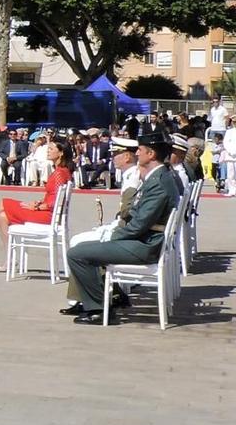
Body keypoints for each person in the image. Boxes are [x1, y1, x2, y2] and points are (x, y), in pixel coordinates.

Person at [62, 134, 180, 323]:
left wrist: (113, 236)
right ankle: (108, 299)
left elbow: (139, 225)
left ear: (151, 154)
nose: (137, 153)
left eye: (140, 150)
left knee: (77, 254)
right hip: (146, 239)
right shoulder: (159, 176)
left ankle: (100, 309)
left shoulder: (158, 182)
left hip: (145, 244)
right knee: (87, 249)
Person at [0, 136, 73, 249]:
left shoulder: (59, 173)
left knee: (5, 203)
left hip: (47, 216)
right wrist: (38, 203)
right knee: (2, 216)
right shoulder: (62, 171)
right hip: (47, 212)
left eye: (51, 149)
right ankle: (8, 259)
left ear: (61, 153)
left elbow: (56, 202)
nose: (47, 151)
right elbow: (54, 197)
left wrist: (37, 207)